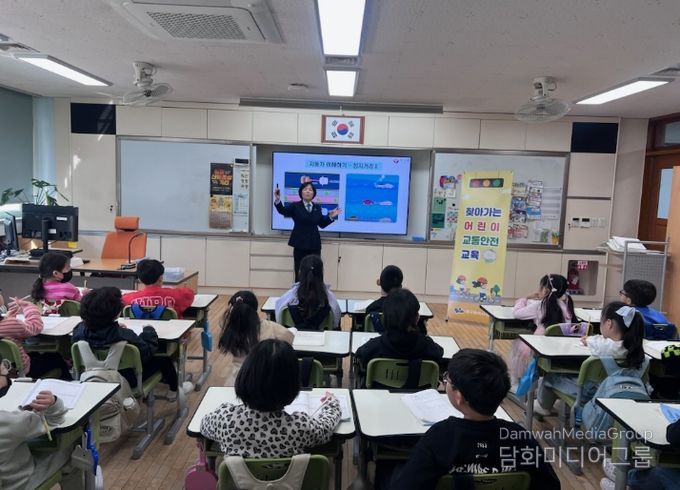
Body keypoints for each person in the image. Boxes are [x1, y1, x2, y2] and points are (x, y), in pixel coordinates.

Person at [392, 349, 560, 489]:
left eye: (447, 379)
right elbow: (550, 485)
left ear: (459, 396)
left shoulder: (438, 437)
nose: (445, 382)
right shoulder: (520, 438)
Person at [200, 339, 341, 457]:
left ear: (245, 375)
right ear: (292, 386)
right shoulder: (300, 426)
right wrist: (331, 403)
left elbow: (203, 425)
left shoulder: (225, 419)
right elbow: (325, 429)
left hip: (239, 480)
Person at [72, 286, 193, 400]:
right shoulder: (124, 334)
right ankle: (174, 389)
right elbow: (148, 352)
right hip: (127, 379)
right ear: (116, 313)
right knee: (162, 358)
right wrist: (149, 331)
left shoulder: (78, 330)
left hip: (90, 377)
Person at [535, 301, 645, 416]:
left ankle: (543, 406)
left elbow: (594, 342)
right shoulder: (635, 348)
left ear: (609, 324)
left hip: (592, 394)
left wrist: (587, 340)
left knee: (551, 377)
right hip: (622, 393)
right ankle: (564, 407)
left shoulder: (603, 347)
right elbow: (603, 342)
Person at [0, 369, 84, 490]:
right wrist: (54, 403)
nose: (6, 370)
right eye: (3, 368)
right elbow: (54, 419)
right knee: (74, 451)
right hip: (18, 484)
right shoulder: (11, 422)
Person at [355, 288, 443, 377]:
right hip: (419, 386)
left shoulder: (376, 346)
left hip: (380, 386)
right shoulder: (427, 345)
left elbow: (360, 354)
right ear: (417, 318)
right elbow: (439, 354)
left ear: (385, 318)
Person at [508, 273, 575, 389]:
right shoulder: (566, 306)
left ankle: (517, 383)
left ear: (546, 290)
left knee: (517, 345)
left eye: (541, 287)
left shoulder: (540, 305)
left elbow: (517, 313)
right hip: (561, 349)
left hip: (540, 348)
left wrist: (525, 298)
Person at [218, 290, 293, 386]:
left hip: (238, 380)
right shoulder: (273, 328)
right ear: (255, 309)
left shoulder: (231, 331)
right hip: (268, 380)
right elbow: (289, 340)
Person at [274, 181, 341, 281]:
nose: (308, 191)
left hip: (314, 244)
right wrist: (278, 200)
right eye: (305, 189)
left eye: (310, 190)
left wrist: (330, 217)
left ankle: (315, 290)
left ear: (314, 193)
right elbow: (283, 211)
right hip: (300, 244)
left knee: (315, 271)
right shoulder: (295, 206)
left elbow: (322, 224)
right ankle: (300, 290)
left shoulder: (317, 207)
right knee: (300, 270)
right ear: (301, 192)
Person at [0, 297, 71, 379]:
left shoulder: (8, 324)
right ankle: (69, 382)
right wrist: (29, 306)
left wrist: (7, 319)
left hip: (5, 369)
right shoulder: (12, 324)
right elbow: (35, 326)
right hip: (21, 370)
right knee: (56, 357)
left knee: (36, 355)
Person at [275, 254, 341, 329]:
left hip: (293, 336)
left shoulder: (290, 296)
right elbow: (335, 322)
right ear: (321, 274)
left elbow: (279, 318)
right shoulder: (329, 299)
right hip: (322, 336)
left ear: (300, 272)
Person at [122, 259, 195, 318]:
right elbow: (189, 294)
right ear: (161, 278)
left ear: (140, 280)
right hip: (172, 330)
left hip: (141, 331)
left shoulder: (130, 298)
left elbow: (122, 299)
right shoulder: (174, 294)